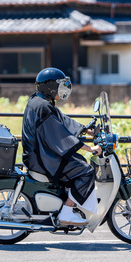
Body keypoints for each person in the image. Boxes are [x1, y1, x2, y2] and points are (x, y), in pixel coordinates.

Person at [21, 67, 101, 226]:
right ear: (50, 87)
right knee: (86, 170)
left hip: (37, 153)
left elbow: (62, 120)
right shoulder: (43, 106)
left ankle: (64, 203)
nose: (64, 90)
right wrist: (89, 148)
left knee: (75, 161)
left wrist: (85, 130)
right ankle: (66, 212)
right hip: (41, 157)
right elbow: (60, 135)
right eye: (60, 86)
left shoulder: (39, 101)